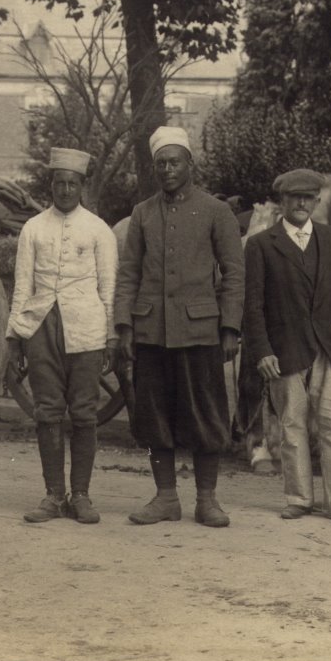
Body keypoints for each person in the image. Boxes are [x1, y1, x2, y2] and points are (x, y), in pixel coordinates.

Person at [114, 126, 245, 527]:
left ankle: (207, 500)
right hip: (152, 331)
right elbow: (129, 273)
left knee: (206, 415)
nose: (168, 170)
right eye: (161, 164)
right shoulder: (142, 213)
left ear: (190, 164)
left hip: (200, 333)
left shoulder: (216, 211)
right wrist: (125, 326)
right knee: (154, 417)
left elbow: (234, 274)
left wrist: (229, 328)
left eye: (174, 162)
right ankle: (166, 498)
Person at [242, 169, 331, 525]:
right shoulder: (261, 245)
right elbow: (252, 304)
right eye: (294, 197)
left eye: (308, 198)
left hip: (328, 347)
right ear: (282, 202)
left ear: (316, 201)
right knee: (292, 426)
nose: (301, 203)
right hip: (285, 351)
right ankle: (298, 499)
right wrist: (262, 351)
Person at [6, 148, 119, 524]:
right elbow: (22, 286)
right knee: (48, 411)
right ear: (51, 185)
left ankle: (81, 495)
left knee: (84, 413)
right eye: (60, 183)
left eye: (72, 184)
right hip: (41, 327)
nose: (66, 190)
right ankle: (54, 495)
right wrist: (15, 335)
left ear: (81, 186)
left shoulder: (99, 230)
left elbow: (109, 288)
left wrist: (110, 336)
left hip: (87, 329)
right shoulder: (33, 228)